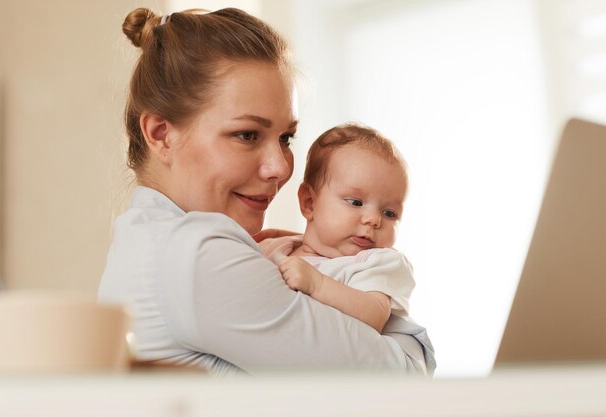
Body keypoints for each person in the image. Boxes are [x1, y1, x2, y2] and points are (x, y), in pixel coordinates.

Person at [98, 6, 435, 375]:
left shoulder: (148, 238)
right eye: (247, 135)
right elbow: (399, 378)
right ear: (162, 135)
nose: (280, 168)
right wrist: (402, 331)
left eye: (286, 137)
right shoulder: (198, 252)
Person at [262, 124, 415, 334]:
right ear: (309, 203)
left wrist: (317, 284)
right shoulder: (275, 248)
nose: (373, 220)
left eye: (389, 213)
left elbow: (375, 315)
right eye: (355, 202)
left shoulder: (377, 263)